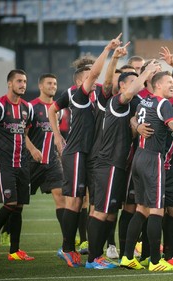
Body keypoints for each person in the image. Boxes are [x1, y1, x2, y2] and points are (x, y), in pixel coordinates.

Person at [49, 34, 123, 268]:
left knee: (91, 203)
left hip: (92, 155)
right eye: (93, 75)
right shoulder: (76, 93)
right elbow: (52, 109)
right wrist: (58, 138)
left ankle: (93, 252)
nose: (97, 77)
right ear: (83, 78)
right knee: (74, 201)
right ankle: (68, 248)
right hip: (78, 151)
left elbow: (109, 83)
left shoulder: (97, 95)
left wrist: (114, 60)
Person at [85, 59, 157, 270]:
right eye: (133, 81)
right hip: (108, 163)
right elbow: (132, 90)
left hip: (116, 165)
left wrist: (138, 126)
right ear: (123, 85)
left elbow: (132, 128)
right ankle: (92, 259)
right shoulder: (117, 101)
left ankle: (97, 256)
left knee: (107, 212)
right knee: (100, 211)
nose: (138, 84)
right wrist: (146, 73)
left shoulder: (128, 107)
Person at [120, 71, 173, 271]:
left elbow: (134, 119)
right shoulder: (163, 104)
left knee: (141, 209)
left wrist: (136, 125)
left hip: (140, 156)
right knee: (156, 211)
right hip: (153, 159)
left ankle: (127, 257)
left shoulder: (145, 101)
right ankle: (154, 261)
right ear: (158, 85)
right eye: (170, 82)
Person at [0, 69, 35, 261]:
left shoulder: (27, 108)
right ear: (10, 84)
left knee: (19, 206)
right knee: (10, 203)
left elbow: (25, 133)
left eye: (25, 81)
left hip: (22, 163)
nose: (23, 84)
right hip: (3, 163)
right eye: (19, 81)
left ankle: (14, 251)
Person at [25, 73, 65, 241]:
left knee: (61, 198)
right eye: (49, 83)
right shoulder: (31, 107)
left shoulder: (59, 111)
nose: (53, 86)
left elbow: (57, 135)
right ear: (41, 86)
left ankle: (67, 241)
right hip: (31, 162)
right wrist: (33, 149)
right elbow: (22, 133)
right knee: (16, 203)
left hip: (52, 162)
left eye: (55, 84)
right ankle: (6, 230)